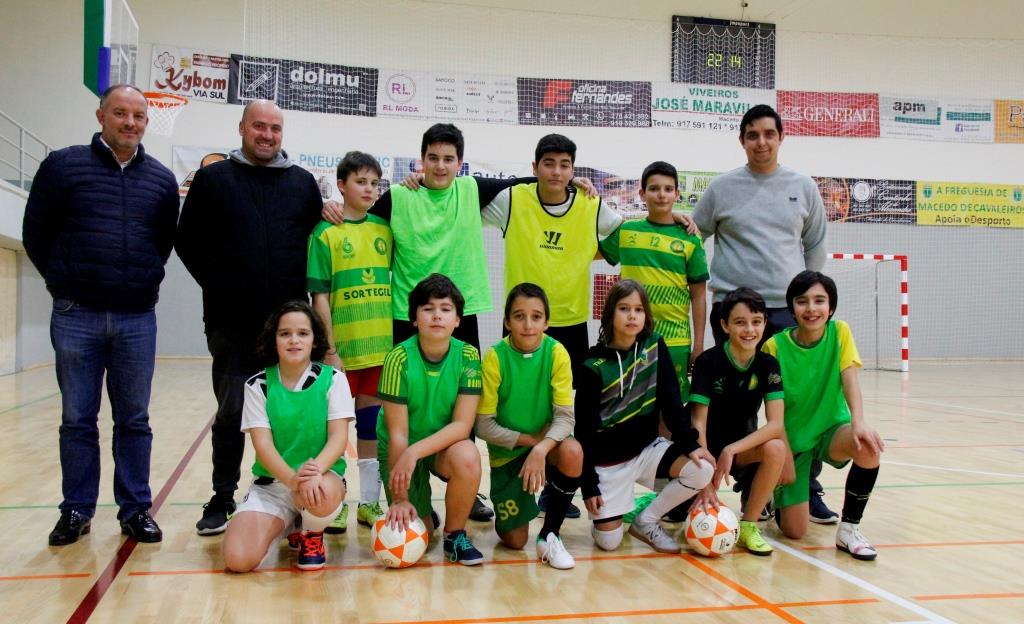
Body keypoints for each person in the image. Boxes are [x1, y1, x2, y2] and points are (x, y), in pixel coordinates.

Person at [23, 84, 178, 546]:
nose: (130, 123)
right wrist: (62, 283)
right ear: (101, 115)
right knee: (77, 418)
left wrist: (141, 279)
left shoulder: (161, 179)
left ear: (147, 122)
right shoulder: (63, 165)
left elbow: (162, 241)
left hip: (136, 318)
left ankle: (135, 509)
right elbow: (36, 233)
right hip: (76, 314)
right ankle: (76, 509)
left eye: (138, 116)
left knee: (134, 419)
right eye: (120, 114)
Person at [176, 100, 324, 535]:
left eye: (275, 128)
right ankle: (222, 496)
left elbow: (318, 240)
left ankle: (278, 490)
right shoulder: (213, 179)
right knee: (232, 409)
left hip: (289, 327)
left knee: (289, 412)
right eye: (259, 126)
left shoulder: (301, 183)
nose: (267, 135)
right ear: (242, 127)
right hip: (231, 322)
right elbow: (187, 241)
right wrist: (222, 284)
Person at [692, 103, 836, 523]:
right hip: (733, 312)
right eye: (752, 134)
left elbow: (816, 246)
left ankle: (802, 485)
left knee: (791, 404)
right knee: (730, 406)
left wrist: (804, 300)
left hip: (786, 315)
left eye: (769, 134)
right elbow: (692, 234)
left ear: (780, 138)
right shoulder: (721, 188)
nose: (761, 142)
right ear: (742, 140)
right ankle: (727, 481)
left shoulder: (802, 187)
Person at [575, 280, 714, 554]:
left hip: (647, 451)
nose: (632, 315)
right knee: (609, 543)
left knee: (702, 470)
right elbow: (584, 431)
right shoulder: (593, 365)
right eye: (624, 308)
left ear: (646, 316)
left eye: (638, 310)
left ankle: (646, 520)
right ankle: (608, 518)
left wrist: (690, 444)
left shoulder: (654, 346)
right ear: (610, 315)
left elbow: (672, 402)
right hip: (608, 463)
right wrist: (589, 484)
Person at [222, 301, 354, 572]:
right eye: (285, 333)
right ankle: (290, 523)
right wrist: (294, 481)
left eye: (303, 333)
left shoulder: (334, 380)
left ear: (315, 339)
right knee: (238, 561)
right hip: (275, 484)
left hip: (320, 477)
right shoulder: (258, 385)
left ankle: (312, 534)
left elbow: (338, 439)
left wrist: (313, 472)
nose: (294, 340)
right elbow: (263, 446)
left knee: (320, 492)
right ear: (274, 339)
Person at [762, 271, 884, 560]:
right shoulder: (774, 346)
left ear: (831, 307)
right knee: (794, 531)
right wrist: (785, 458)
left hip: (832, 429)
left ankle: (849, 529)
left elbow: (849, 378)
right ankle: (771, 490)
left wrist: (858, 422)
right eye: (802, 301)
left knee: (867, 447)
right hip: (794, 442)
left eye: (820, 301)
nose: (811, 309)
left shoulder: (840, 332)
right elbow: (772, 413)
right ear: (792, 308)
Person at [377, 274, 486, 565]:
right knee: (417, 542)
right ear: (414, 319)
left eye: (446, 309)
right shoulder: (397, 358)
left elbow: (462, 426)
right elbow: (398, 433)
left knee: (468, 455)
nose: (437, 315)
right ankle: (425, 512)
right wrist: (400, 499)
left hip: (439, 445)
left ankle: (454, 536)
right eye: (428, 308)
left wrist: (417, 452)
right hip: (400, 445)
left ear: (458, 320)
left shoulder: (469, 356)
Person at [308, 150, 389, 533]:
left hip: (379, 352)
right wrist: (329, 349)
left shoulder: (384, 231)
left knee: (371, 429)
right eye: (361, 182)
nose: (369, 189)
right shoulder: (325, 233)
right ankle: (335, 500)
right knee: (335, 432)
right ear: (341, 185)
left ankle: (369, 503)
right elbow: (319, 297)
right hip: (340, 354)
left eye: (375, 183)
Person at [475, 283, 583, 569]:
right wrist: (530, 442)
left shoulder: (557, 353)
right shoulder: (495, 357)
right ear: (507, 321)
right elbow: (483, 425)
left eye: (536, 316)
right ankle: (515, 507)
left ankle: (550, 534)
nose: (528, 324)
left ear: (546, 322)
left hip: (545, 443)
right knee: (514, 541)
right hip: (508, 450)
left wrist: (542, 449)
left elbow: (566, 417)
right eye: (519, 316)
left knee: (573, 451)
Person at [687, 288, 788, 556]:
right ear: (725, 325)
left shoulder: (768, 364)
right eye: (740, 322)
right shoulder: (708, 362)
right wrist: (705, 478)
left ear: (765, 323)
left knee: (777, 447)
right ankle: (661, 498)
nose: (749, 330)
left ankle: (748, 526)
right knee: (676, 514)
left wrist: (731, 449)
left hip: (739, 449)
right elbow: (697, 421)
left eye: (756, 321)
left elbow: (776, 425)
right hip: (702, 449)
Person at [600, 160, 708, 400]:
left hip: (675, 338)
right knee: (628, 402)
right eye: (654, 188)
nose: (661, 195)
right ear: (642, 193)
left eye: (668, 189)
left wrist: (698, 346)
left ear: (677, 194)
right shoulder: (627, 231)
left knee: (671, 407)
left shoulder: (691, 239)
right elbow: (591, 252)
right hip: (629, 336)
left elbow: (699, 296)